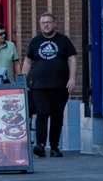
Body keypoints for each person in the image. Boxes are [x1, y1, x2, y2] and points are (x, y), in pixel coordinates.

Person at [21, 11, 77, 158]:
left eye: (48, 22)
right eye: (43, 23)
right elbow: (27, 61)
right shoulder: (35, 41)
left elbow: (72, 59)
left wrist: (72, 78)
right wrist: (22, 80)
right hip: (39, 87)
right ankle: (40, 145)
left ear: (54, 24)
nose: (46, 25)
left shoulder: (64, 41)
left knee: (57, 116)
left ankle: (54, 146)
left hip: (60, 86)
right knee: (42, 114)